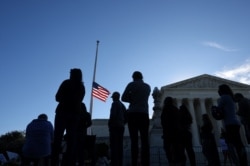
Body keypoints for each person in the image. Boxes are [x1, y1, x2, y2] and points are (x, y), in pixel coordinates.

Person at [51, 68, 85, 166]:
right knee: (71, 140)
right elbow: (80, 100)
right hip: (75, 114)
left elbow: (57, 97)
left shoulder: (66, 83)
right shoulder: (82, 87)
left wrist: (65, 99)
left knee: (58, 138)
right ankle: (69, 162)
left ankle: (54, 162)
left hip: (62, 112)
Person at [121, 71, 151, 166]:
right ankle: (145, 163)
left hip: (133, 113)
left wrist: (131, 98)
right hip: (144, 113)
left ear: (133, 77)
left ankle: (134, 163)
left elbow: (123, 98)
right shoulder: (147, 86)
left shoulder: (131, 84)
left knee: (134, 141)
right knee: (145, 140)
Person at [216, 84, 247, 166]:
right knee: (239, 144)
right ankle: (243, 161)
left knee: (230, 144)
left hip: (229, 124)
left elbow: (218, 109)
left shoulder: (223, 98)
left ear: (221, 91)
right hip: (236, 123)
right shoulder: (231, 98)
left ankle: (236, 162)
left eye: (219, 90)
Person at [161, 97, 186, 166]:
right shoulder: (176, 110)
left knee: (168, 149)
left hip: (169, 133)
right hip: (177, 133)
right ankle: (180, 162)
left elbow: (164, 122)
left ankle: (172, 162)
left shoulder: (165, 110)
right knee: (178, 149)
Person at [108, 91, 127, 166]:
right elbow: (126, 117)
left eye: (113, 97)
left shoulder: (115, 103)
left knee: (114, 146)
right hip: (121, 126)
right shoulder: (123, 105)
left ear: (115, 97)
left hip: (115, 126)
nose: (112, 99)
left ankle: (114, 163)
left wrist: (110, 123)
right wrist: (122, 123)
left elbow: (113, 115)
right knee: (119, 146)